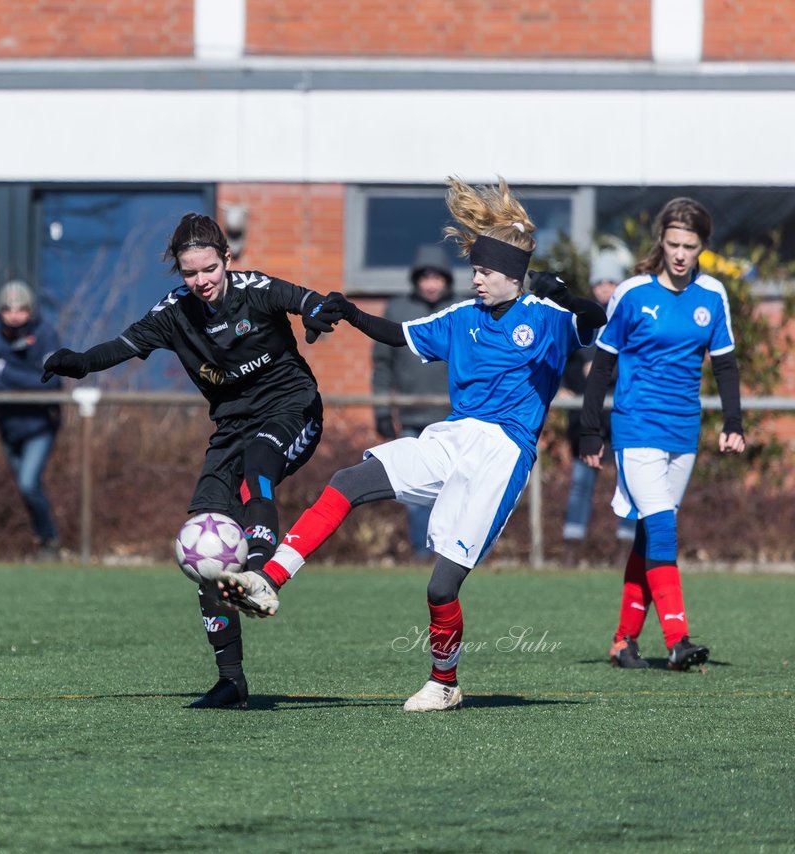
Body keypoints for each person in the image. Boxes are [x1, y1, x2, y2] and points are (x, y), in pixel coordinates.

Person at [221, 177, 606, 712]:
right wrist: (350, 312)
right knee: (348, 481)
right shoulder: (461, 318)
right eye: (474, 269)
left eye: (486, 271)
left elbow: (596, 320)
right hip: (451, 436)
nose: (475, 279)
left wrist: (564, 292)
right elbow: (398, 333)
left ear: (513, 277)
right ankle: (270, 578)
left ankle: (444, 681)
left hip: (501, 454)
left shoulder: (547, 319)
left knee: (441, 588)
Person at [40, 212, 335, 710]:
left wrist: (317, 315)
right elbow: (124, 345)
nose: (200, 281)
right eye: (190, 272)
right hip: (231, 430)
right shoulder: (174, 311)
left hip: (293, 409)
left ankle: (262, 574)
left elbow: (308, 301)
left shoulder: (257, 289)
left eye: (209, 269)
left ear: (226, 259)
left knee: (260, 461)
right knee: (204, 543)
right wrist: (81, 362)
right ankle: (231, 680)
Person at [579, 198, 744, 671]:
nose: (679, 254)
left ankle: (623, 641)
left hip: (683, 431)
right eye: (672, 244)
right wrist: (591, 431)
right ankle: (678, 640)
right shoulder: (632, 293)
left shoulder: (712, 295)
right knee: (663, 528)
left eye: (689, 246)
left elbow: (726, 364)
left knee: (650, 534)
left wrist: (733, 423)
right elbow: (602, 365)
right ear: (661, 242)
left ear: (702, 247)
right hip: (636, 427)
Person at [372, 244, 460, 561]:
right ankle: (421, 553)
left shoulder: (460, 311)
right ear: (416, 279)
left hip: (455, 418)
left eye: (437, 276)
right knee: (415, 489)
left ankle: (449, 554)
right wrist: (382, 410)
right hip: (411, 416)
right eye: (425, 277)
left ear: (447, 279)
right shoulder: (397, 311)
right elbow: (382, 366)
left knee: (453, 490)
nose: (431, 283)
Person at [0, 280, 64, 560]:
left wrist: (7, 372)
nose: (14, 315)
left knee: (28, 483)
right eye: (8, 309)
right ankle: (41, 540)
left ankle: (49, 541)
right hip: (8, 424)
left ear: (31, 311)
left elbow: (51, 381)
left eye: (21, 309)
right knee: (28, 486)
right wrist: (21, 386)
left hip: (41, 423)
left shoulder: (46, 333)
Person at [560, 251, 636, 565]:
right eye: (599, 282)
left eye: (611, 281)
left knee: (629, 482)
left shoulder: (631, 317)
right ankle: (572, 545)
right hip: (585, 416)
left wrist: (605, 370)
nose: (604, 287)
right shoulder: (580, 319)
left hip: (620, 414)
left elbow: (634, 362)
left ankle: (626, 547)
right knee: (581, 483)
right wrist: (577, 379)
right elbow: (566, 361)